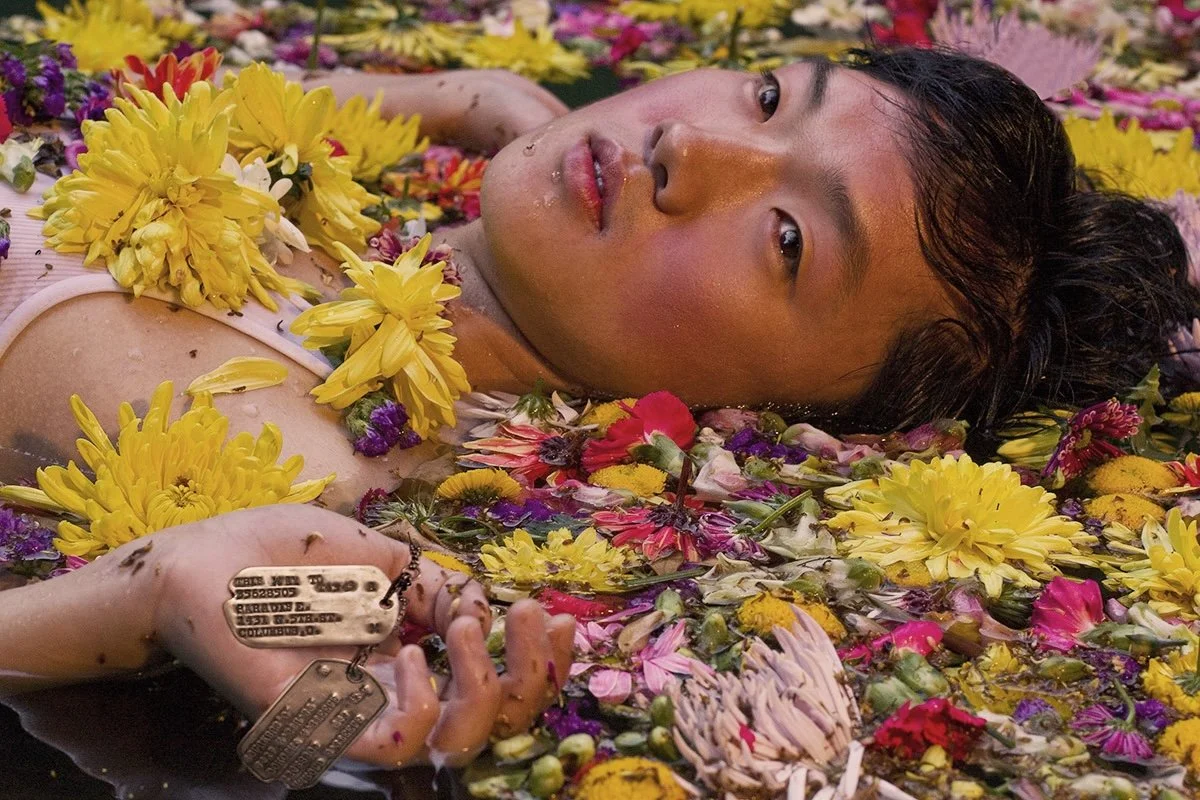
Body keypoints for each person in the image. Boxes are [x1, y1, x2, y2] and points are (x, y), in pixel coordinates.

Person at [1, 46, 1197, 769]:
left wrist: (143, 593)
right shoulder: (401, 194)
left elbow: (304, 707)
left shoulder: (322, 482)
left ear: (767, 418)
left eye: (786, 239)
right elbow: (195, 100)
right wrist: (482, 103)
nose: (690, 141)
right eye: (769, 94)